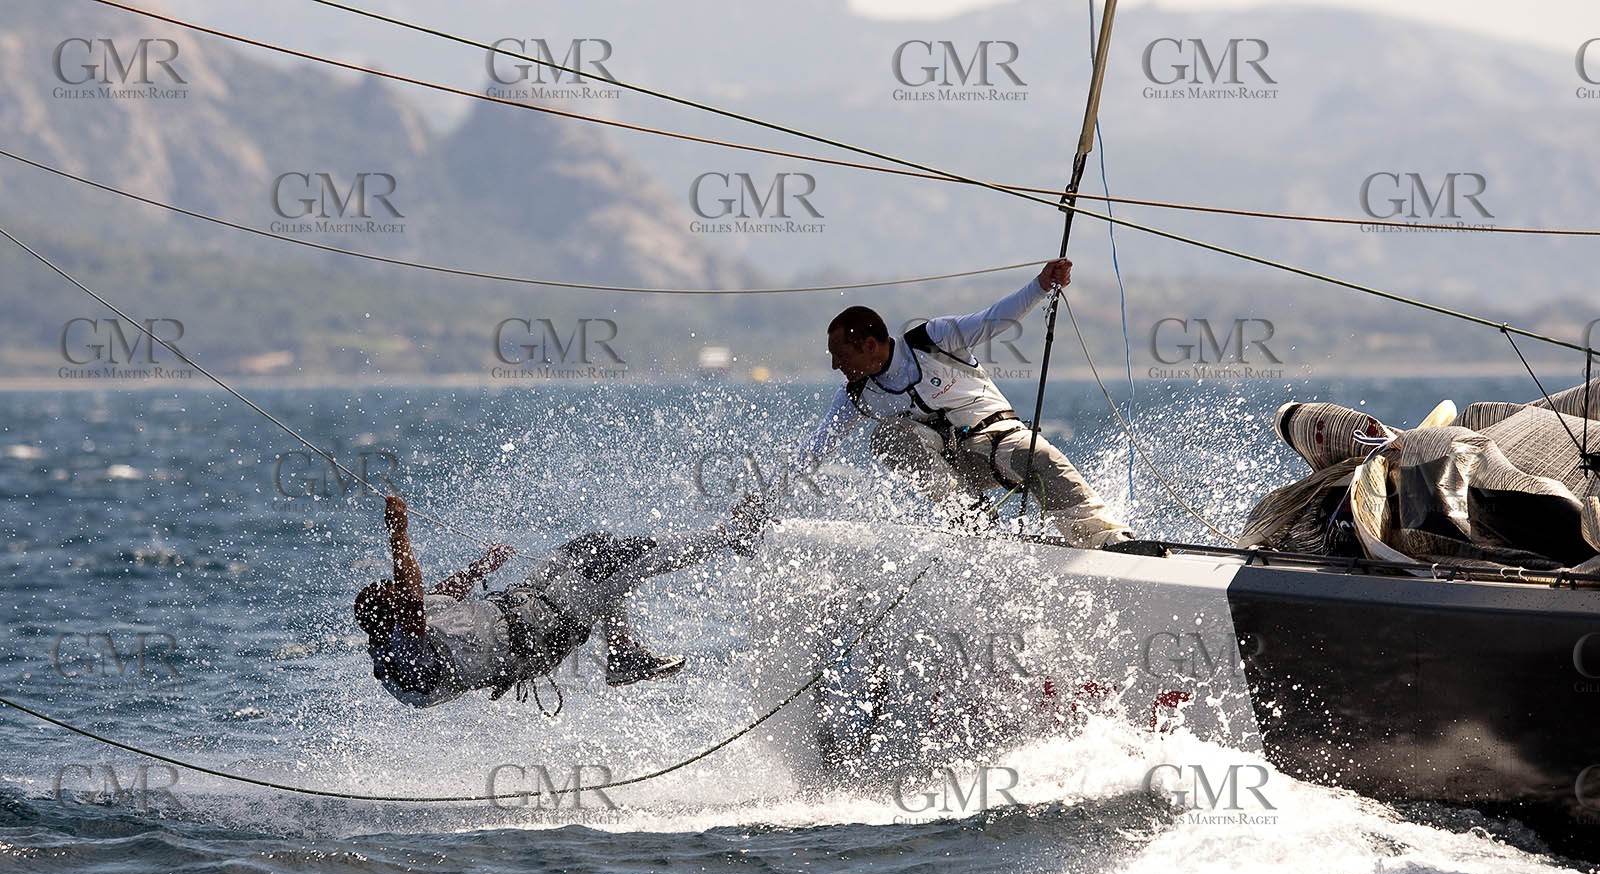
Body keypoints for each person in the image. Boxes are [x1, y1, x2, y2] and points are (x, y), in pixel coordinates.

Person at [797, 258, 1133, 548]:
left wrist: (1040, 286)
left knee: (1038, 456)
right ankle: (973, 520)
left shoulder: (934, 339)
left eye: (841, 356)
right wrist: (770, 498)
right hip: (952, 473)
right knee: (888, 436)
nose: (836, 366)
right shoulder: (855, 394)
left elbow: (994, 319)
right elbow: (815, 449)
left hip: (997, 443)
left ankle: (1107, 541)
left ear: (870, 345)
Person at [354, 494, 768, 708]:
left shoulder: (405, 627)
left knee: (592, 546)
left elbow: (438, 597)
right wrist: (398, 532)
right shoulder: (405, 651)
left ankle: (622, 652)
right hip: (540, 633)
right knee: (623, 559)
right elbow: (413, 600)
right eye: (400, 596)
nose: (412, 597)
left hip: (525, 605)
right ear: (393, 613)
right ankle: (731, 535)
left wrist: (481, 567)